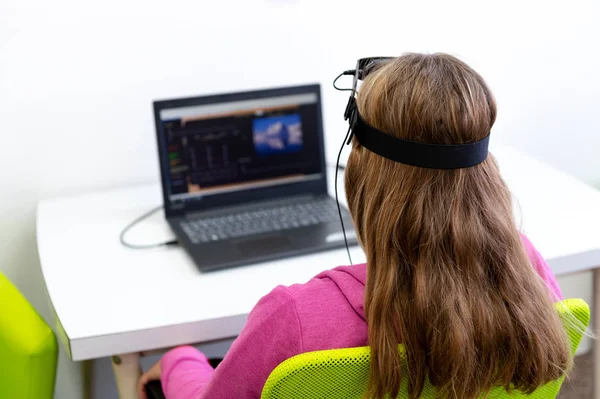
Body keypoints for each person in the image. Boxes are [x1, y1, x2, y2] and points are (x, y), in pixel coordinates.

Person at [137, 53, 569, 399]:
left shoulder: (294, 319)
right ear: (485, 174)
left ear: (362, 175)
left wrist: (180, 360)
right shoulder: (525, 271)